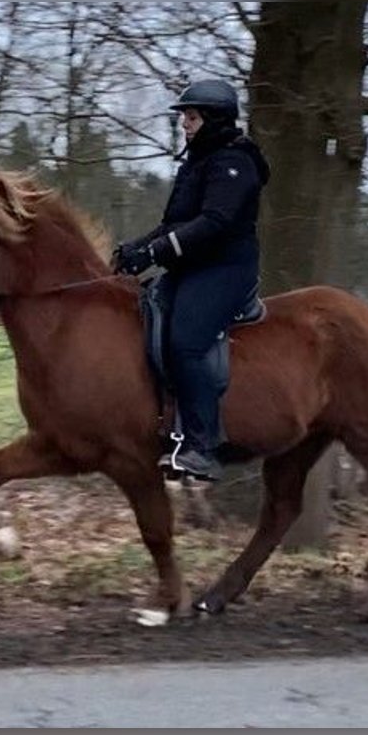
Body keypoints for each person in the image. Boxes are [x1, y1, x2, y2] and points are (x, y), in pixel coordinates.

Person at [112, 78, 271, 482]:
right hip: (194, 267)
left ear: (214, 120)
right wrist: (136, 249)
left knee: (186, 340)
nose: (184, 124)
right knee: (145, 318)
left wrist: (158, 252)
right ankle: (163, 428)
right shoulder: (197, 162)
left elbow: (215, 223)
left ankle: (203, 446)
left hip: (226, 269)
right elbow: (173, 224)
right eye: (184, 116)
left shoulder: (236, 163)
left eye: (191, 116)